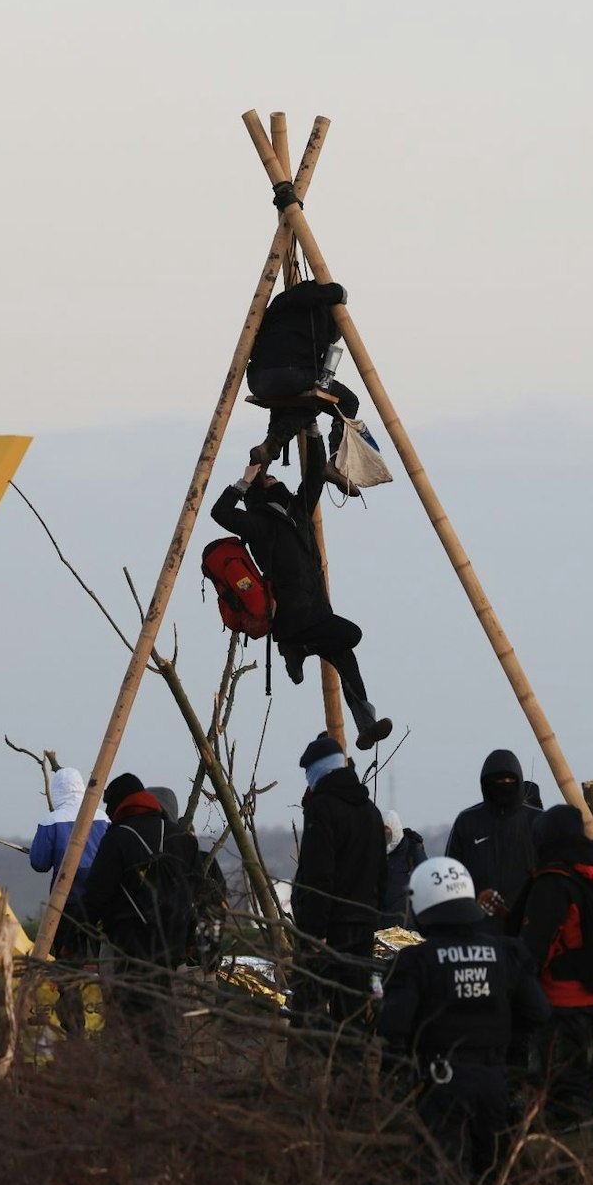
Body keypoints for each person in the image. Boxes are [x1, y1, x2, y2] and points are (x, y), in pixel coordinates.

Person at [210, 442, 393, 750]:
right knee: (351, 635)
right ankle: (296, 647)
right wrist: (245, 480)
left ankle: (365, 723)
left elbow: (315, 474)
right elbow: (220, 512)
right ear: (261, 493)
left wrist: (311, 430)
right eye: (269, 479)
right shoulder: (259, 523)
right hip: (292, 617)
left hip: (317, 612)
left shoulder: (298, 511)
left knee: (344, 657)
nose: (275, 479)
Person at [377, 857, 549, 1180]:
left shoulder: (415, 961)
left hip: (441, 1086)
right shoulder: (507, 952)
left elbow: (392, 1027)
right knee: (495, 1178)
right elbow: (538, 1013)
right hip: (497, 1083)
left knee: (444, 1180)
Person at [79, 774, 199, 1058]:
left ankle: (149, 1084)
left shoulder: (118, 838)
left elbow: (96, 894)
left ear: (119, 803)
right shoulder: (182, 838)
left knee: (132, 1020)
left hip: (130, 947)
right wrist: (191, 939)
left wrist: (76, 935)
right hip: (172, 944)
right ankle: (166, 1079)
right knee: (163, 1010)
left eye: (109, 805)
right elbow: (195, 894)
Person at [510, 805, 593, 1124]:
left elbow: (534, 947)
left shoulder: (552, 881)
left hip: (563, 997)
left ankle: (570, 1145)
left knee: (564, 1081)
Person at [291, 734, 387, 1028]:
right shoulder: (371, 812)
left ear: (319, 770)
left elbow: (319, 876)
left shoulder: (323, 809)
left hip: (328, 931)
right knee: (353, 1009)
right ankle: (349, 1068)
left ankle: (310, 1069)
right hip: (363, 924)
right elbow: (382, 873)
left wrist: (315, 932)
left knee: (310, 1009)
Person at [245, 277, 360, 479]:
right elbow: (327, 293)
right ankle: (336, 463)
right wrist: (340, 292)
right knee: (339, 400)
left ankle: (268, 450)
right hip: (289, 373)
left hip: (257, 379)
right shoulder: (316, 309)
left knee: (302, 397)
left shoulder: (281, 303)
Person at [30, 767, 105, 1037]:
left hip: (67, 907)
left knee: (67, 968)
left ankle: (75, 1030)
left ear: (58, 791)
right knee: (106, 966)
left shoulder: (51, 821)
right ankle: (116, 1030)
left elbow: (38, 862)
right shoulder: (103, 818)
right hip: (101, 907)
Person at [444, 750, 540, 933]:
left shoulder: (536, 821)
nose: (504, 786)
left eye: (509, 781)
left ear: (518, 781)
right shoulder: (468, 821)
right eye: (497, 782)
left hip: (527, 927)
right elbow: (452, 874)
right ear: (485, 783)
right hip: (477, 927)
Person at [377, 811, 427, 928]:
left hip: (406, 924)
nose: (385, 838)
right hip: (378, 923)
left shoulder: (412, 850)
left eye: (387, 834)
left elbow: (426, 880)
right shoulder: (373, 851)